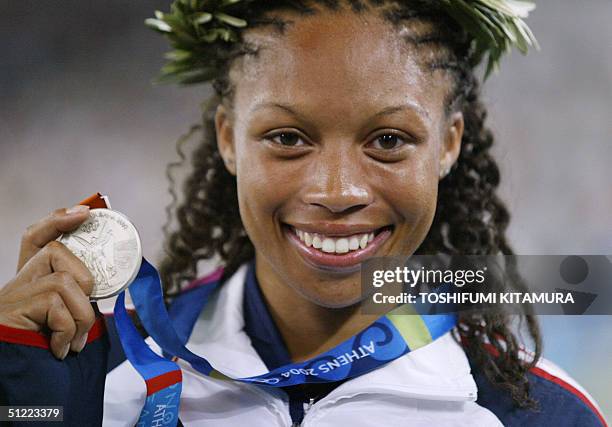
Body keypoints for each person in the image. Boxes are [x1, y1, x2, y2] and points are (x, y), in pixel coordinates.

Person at [0, 1, 607, 426]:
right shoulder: (98, 373)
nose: (338, 190)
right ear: (228, 138)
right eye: (288, 138)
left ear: (448, 144)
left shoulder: (545, 415)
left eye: (389, 140)